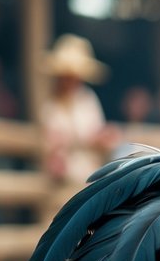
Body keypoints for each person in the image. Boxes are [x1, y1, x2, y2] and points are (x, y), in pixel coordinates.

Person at [40, 34, 119, 183]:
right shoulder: (51, 104)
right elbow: (51, 143)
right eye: (67, 75)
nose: (70, 80)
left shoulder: (88, 99)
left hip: (90, 173)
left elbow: (96, 134)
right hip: (62, 177)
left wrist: (104, 137)